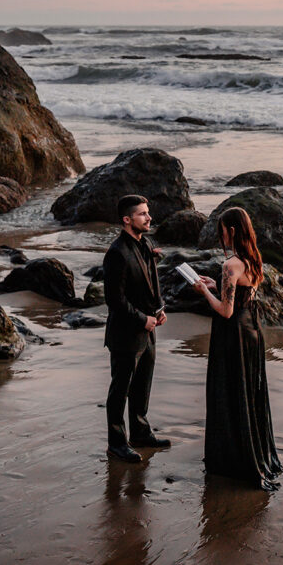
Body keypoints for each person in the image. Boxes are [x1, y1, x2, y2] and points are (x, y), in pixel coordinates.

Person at [193, 206, 283, 490]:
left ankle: (232, 459)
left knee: (228, 391)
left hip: (233, 334)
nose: (220, 236)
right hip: (252, 332)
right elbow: (243, 293)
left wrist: (204, 291)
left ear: (231, 231)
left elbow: (226, 310)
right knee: (246, 393)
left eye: (221, 231)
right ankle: (252, 451)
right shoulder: (252, 259)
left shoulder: (230, 264)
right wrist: (216, 284)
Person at [103, 194, 170, 463]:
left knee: (142, 385)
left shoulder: (147, 244)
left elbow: (151, 283)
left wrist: (159, 309)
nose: (149, 217)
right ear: (127, 219)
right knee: (120, 390)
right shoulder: (116, 253)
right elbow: (114, 300)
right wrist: (142, 319)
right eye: (143, 214)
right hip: (125, 334)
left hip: (149, 330)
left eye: (148, 212)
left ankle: (140, 433)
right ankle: (116, 443)